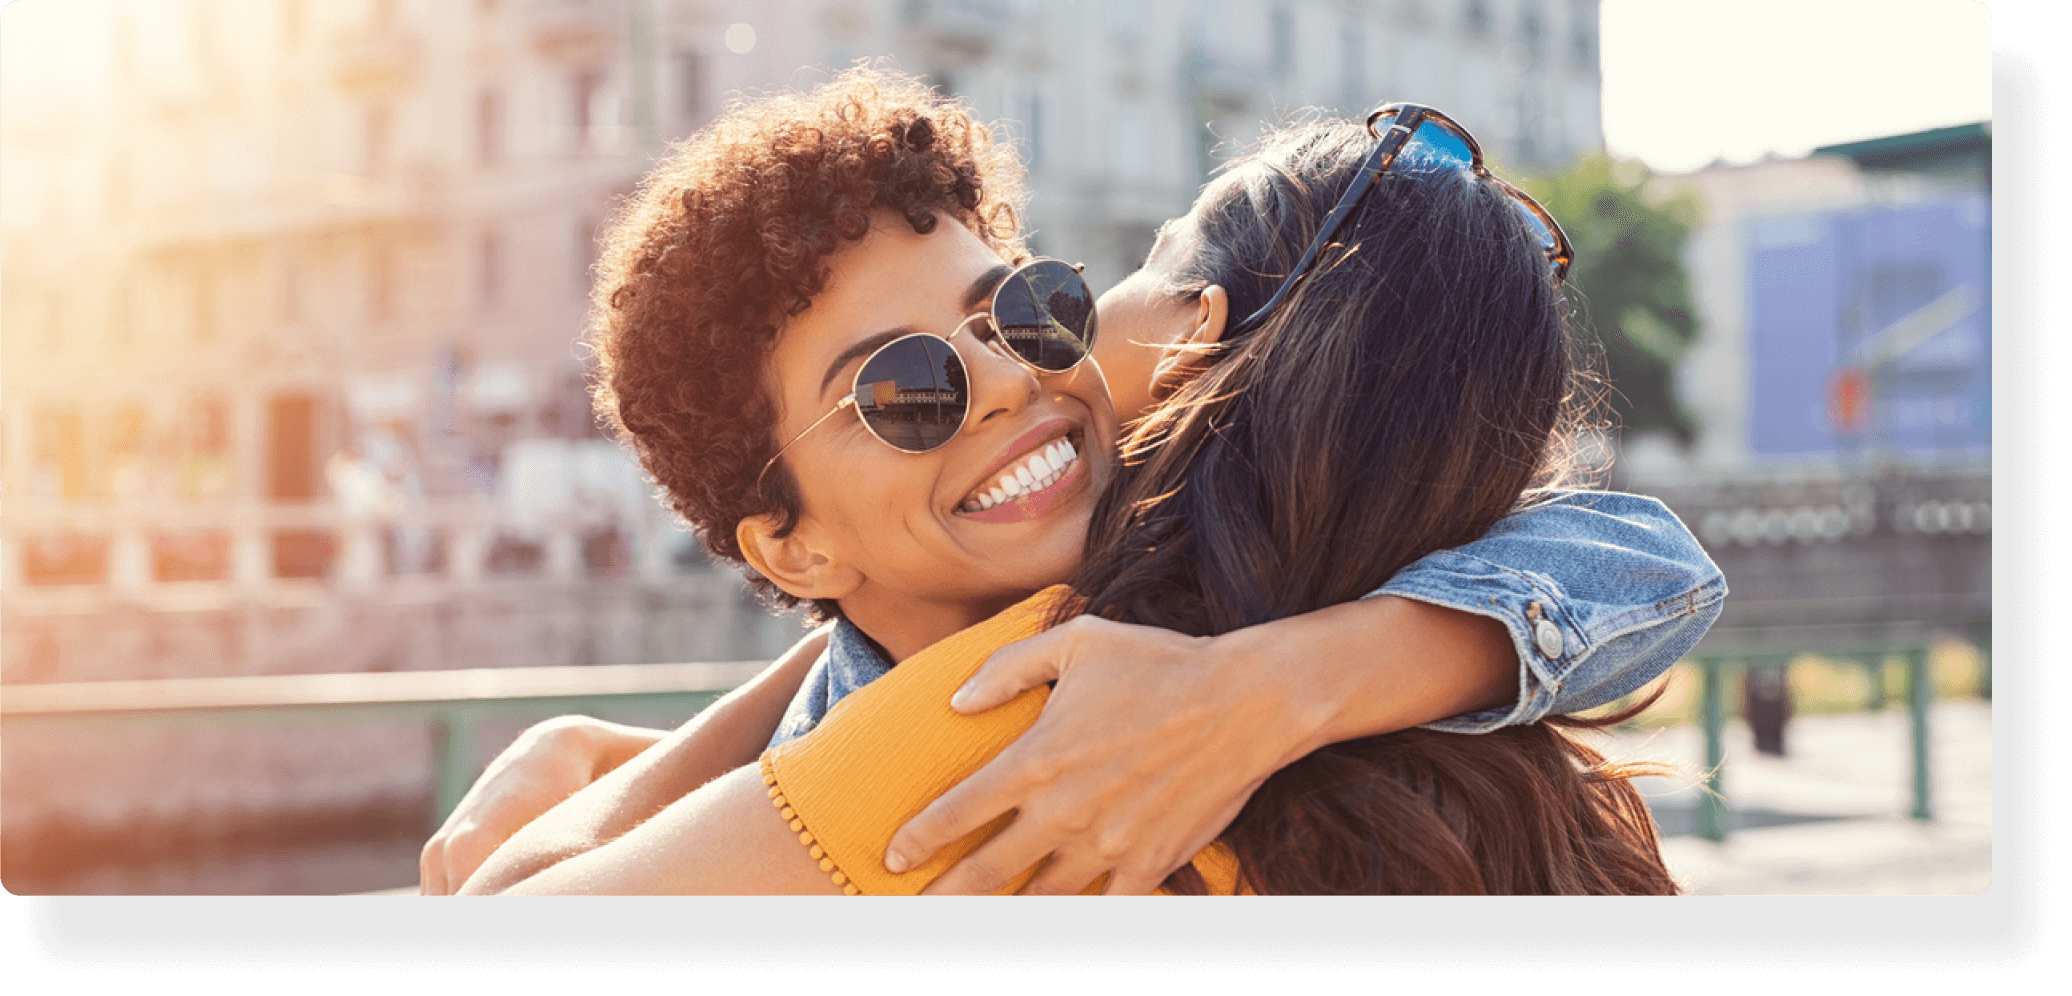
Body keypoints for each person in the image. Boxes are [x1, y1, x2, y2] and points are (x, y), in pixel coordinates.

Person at [446, 67, 1720, 895]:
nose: (1004, 379)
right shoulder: (1347, 668)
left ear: (1198, 341)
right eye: (902, 394)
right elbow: (1649, 562)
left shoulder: (1022, 707)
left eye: (1020, 310)